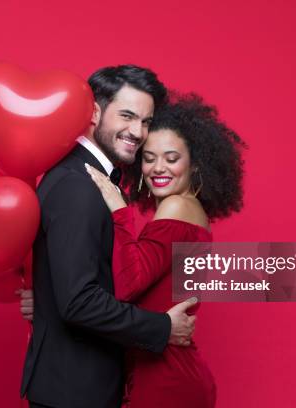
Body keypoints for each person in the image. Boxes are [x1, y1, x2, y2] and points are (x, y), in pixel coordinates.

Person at [19, 65, 199, 408]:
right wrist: (163, 327)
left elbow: (77, 283)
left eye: (146, 122)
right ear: (95, 111)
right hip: (74, 393)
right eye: (128, 116)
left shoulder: (89, 179)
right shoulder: (78, 185)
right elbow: (79, 301)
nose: (137, 131)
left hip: (77, 387)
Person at [84, 93, 246, 407]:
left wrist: (119, 209)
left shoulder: (176, 206)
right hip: (165, 372)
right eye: (149, 157)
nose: (159, 168)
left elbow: (128, 284)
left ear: (195, 164)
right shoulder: (189, 210)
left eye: (172, 158)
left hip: (167, 380)